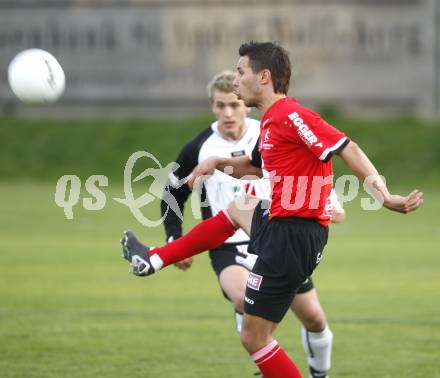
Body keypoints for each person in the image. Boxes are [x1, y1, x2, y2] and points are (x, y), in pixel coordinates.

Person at [121, 42, 423, 378]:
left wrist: (383, 195)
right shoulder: (270, 124)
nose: (235, 81)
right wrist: (215, 162)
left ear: (263, 77)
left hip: (292, 236)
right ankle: (156, 258)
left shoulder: (292, 116)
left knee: (254, 338)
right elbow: (250, 167)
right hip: (283, 228)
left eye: (240, 73)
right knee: (241, 205)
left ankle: (156, 260)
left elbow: (346, 147)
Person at [160, 70, 345, 378]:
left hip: (276, 235)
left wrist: (330, 203)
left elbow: (308, 168)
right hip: (227, 244)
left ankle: (317, 374)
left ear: (246, 103)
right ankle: (266, 365)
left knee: (313, 317)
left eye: (233, 104)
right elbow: (172, 194)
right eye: (220, 106)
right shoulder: (199, 147)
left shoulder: (270, 131)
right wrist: (173, 239)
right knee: (243, 300)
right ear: (212, 107)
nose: (228, 112)